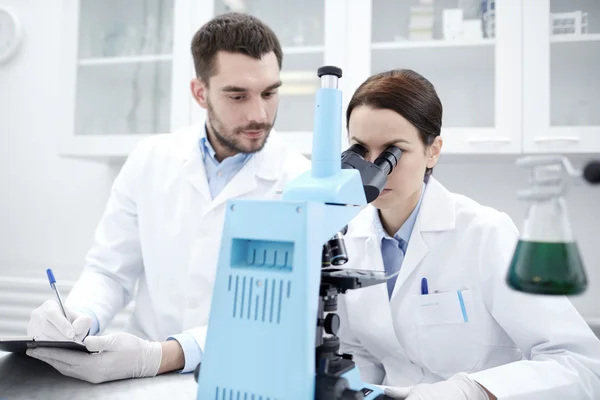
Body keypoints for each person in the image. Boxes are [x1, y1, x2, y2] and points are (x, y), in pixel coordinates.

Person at [25, 12, 309, 384]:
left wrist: (161, 355)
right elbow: (110, 271)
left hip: (239, 378)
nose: (259, 113)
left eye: (270, 93)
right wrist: (79, 315)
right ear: (200, 92)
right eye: (238, 95)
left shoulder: (299, 183)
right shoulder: (150, 158)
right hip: (138, 380)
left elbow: (281, 315)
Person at [336, 69, 600, 399]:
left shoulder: (485, 233)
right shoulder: (346, 240)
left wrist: (469, 391)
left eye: (393, 152)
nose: (374, 169)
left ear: (433, 151)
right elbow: (360, 358)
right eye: (361, 150)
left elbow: (580, 364)